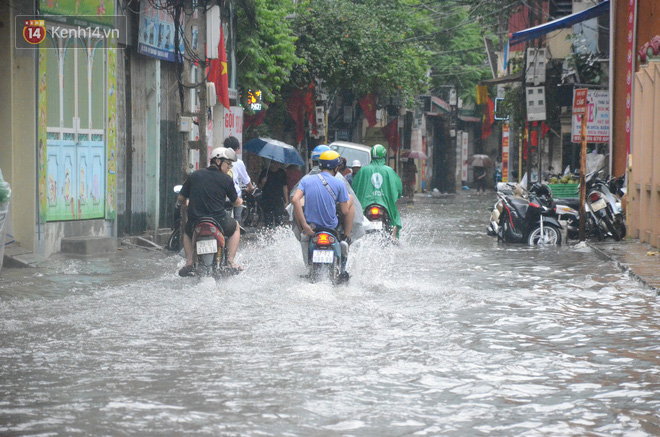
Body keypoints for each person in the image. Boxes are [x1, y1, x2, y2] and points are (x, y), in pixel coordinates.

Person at [177, 147, 243, 276]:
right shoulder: (226, 179)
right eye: (228, 164)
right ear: (218, 161)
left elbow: (181, 198)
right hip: (219, 221)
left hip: (196, 222)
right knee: (235, 227)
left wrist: (184, 203)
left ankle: (189, 262)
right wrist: (240, 201)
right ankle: (230, 261)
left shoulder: (194, 175)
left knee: (186, 230)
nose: (229, 167)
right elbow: (235, 202)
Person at [291, 150, 354, 276]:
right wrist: (349, 200)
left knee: (298, 208)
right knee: (350, 200)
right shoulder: (339, 183)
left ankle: (304, 240)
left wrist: (304, 226)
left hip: (311, 227)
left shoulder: (306, 180)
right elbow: (345, 211)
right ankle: (346, 239)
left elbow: (294, 199)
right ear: (336, 168)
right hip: (330, 227)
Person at [352, 144, 403, 239]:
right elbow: (398, 188)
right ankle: (394, 237)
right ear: (384, 156)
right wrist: (398, 195)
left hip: (365, 205)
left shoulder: (363, 170)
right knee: (394, 217)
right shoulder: (389, 171)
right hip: (385, 205)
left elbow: (354, 188)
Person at [223, 136, 254, 226]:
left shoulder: (219, 161)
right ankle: (237, 231)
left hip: (221, 194)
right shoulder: (238, 162)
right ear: (236, 149)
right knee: (237, 217)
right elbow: (246, 179)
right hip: (234, 194)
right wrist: (250, 187)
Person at [258, 160, 288, 227]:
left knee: (279, 219)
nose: (276, 164)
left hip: (278, 199)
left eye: (278, 163)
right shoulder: (265, 172)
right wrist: (263, 182)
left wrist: (286, 200)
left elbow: (285, 186)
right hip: (267, 199)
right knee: (268, 220)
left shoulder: (282, 172)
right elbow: (259, 187)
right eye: (274, 163)